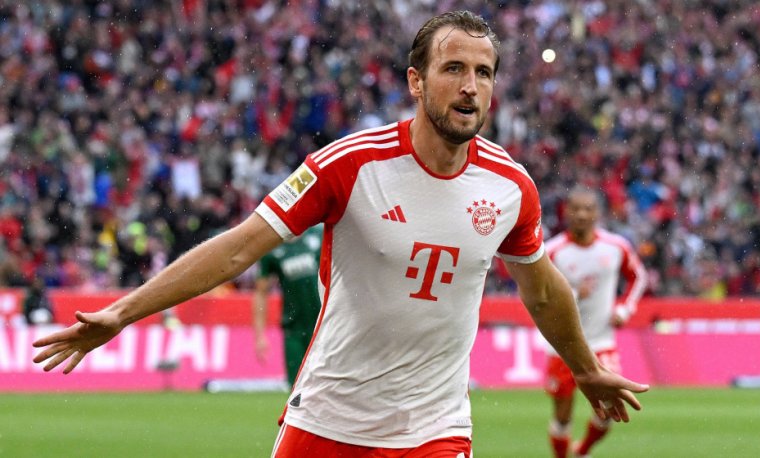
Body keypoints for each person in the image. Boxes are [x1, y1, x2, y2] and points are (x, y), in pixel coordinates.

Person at [32, 11, 648, 457]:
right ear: (415, 81)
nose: (470, 86)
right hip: (329, 417)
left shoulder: (511, 187)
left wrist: (586, 368)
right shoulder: (349, 164)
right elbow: (240, 248)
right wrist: (123, 313)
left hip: (435, 429)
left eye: (483, 72)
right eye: (454, 68)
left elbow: (542, 289)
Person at [543, 185, 649, 458]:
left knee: (610, 410)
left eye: (588, 209)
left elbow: (638, 277)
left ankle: (582, 451)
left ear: (597, 213)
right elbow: (541, 294)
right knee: (563, 416)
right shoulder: (552, 251)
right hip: (562, 346)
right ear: (566, 212)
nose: (581, 214)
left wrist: (625, 309)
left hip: (602, 342)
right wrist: (574, 293)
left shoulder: (615, 247)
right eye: (576, 209)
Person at [253, 223, 323, 387]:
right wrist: (260, 336)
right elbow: (261, 293)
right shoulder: (272, 249)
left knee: (326, 384)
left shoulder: (319, 234)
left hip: (323, 325)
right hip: (294, 328)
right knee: (297, 387)